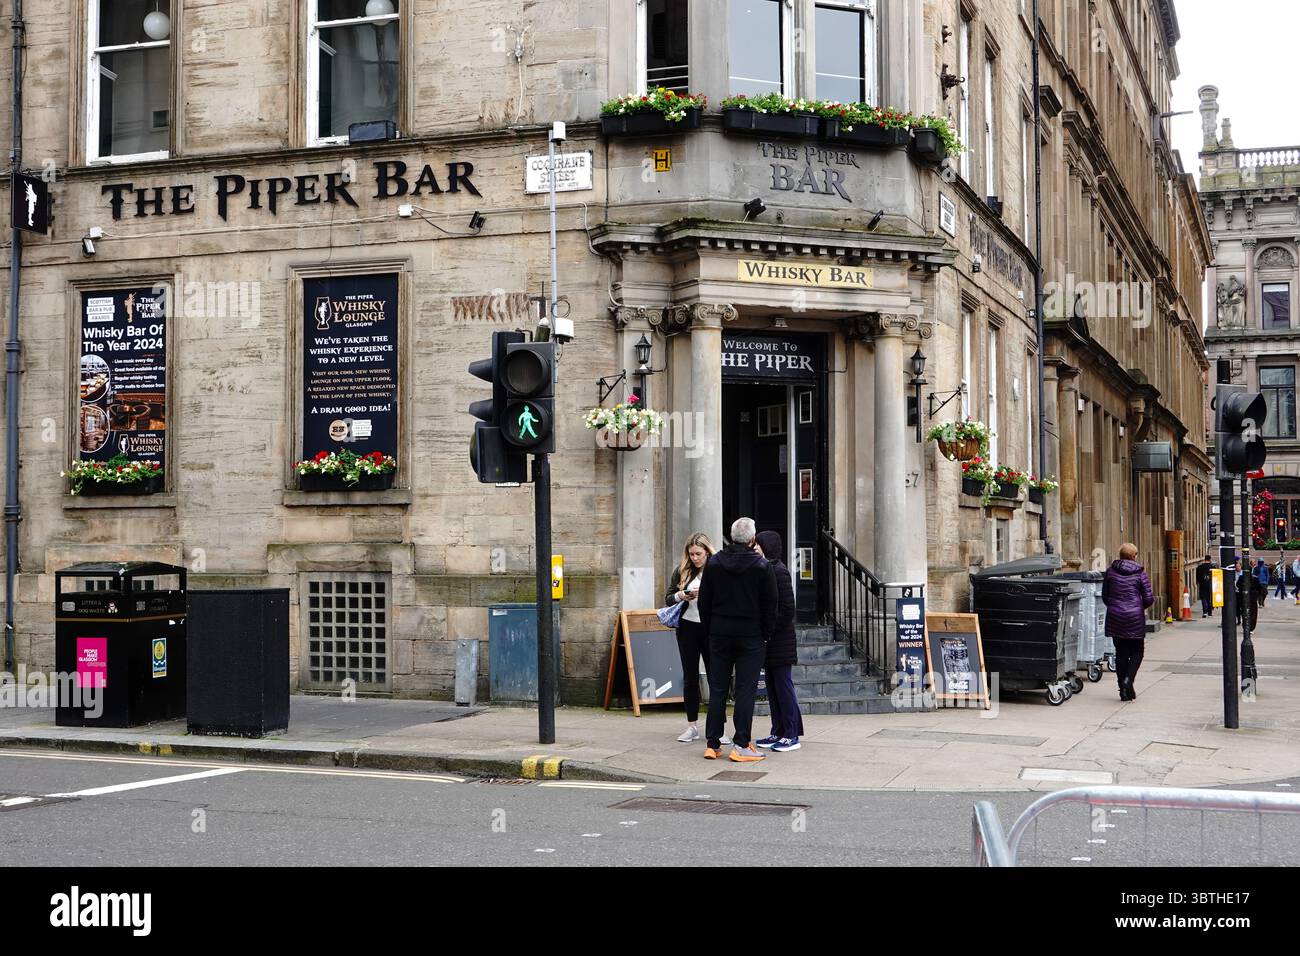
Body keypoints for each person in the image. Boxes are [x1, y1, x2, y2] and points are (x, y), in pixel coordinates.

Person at [697, 517, 777, 762]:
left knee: (718, 687)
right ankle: (741, 743)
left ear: (732, 537)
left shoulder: (714, 563)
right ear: (753, 539)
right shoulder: (762, 566)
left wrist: (711, 629)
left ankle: (712, 743)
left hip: (720, 633)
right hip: (750, 635)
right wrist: (765, 634)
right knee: (745, 690)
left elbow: (704, 602)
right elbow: (770, 606)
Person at [663, 532, 729, 744]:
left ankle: (719, 728)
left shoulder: (717, 570)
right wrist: (681, 595)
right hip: (688, 628)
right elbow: (668, 598)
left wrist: (708, 594)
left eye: (699, 554)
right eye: (691, 554)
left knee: (716, 678)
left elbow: (727, 597)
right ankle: (692, 726)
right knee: (690, 677)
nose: (695, 558)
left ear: (708, 552)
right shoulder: (682, 571)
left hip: (712, 629)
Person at [753, 530, 803, 752]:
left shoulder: (779, 571)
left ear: (767, 546)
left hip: (780, 640)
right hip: (771, 641)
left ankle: (791, 735)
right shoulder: (766, 569)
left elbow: (787, 609)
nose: (755, 548)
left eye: (758, 545)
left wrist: (769, 629)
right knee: (772, 689)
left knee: (783, 687)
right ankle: (778, 731)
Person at [1101, 542, 1154, 702]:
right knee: (1138, 651)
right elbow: (1149, 598)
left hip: (1115, 616)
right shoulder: (1140, 573)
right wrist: (1138, 607)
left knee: (1121, 653)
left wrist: (1115, 606)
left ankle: (1123, 689)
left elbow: (1105, 596)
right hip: (1134, 617)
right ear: (1134, 556)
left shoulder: (1110, 572)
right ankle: (1128, 680)